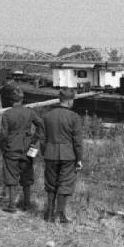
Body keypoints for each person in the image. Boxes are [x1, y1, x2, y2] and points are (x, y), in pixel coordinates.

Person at [40, 88, 83, 223]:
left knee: (51, 184)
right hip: (68, 155)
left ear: (60, 99)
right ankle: (60, 214)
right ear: (70, 101)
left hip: (50, 153)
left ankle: (49, 214)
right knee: (65, 183)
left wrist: (44, 152)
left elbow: (42, 138)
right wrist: (79, 158)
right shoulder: (74, 117)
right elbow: (77, 141)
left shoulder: (47, 116)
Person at [0, 87, 43, 213]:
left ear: (11, 100)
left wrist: (3, 148)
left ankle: (12, 205)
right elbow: (41, 124)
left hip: (11, 147)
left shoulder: (7, 114)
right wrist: (34, 140)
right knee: (26, 175)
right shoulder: (29, 112)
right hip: (26, 147)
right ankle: (27, 204)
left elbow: (3, 134)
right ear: (22, 99)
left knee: (11, 176)